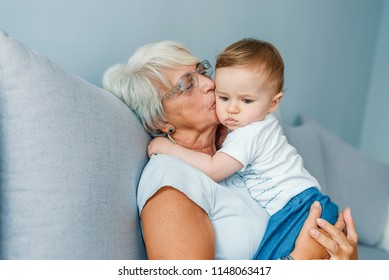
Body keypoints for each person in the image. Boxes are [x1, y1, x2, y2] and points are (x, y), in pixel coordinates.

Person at [102, 39, 358, 260]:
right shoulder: (171, 182)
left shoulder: (237, 152)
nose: (209, 83)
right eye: (187, 84)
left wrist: (346, 260)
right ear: (160, 121)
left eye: (202, 71)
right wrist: (301, 261)